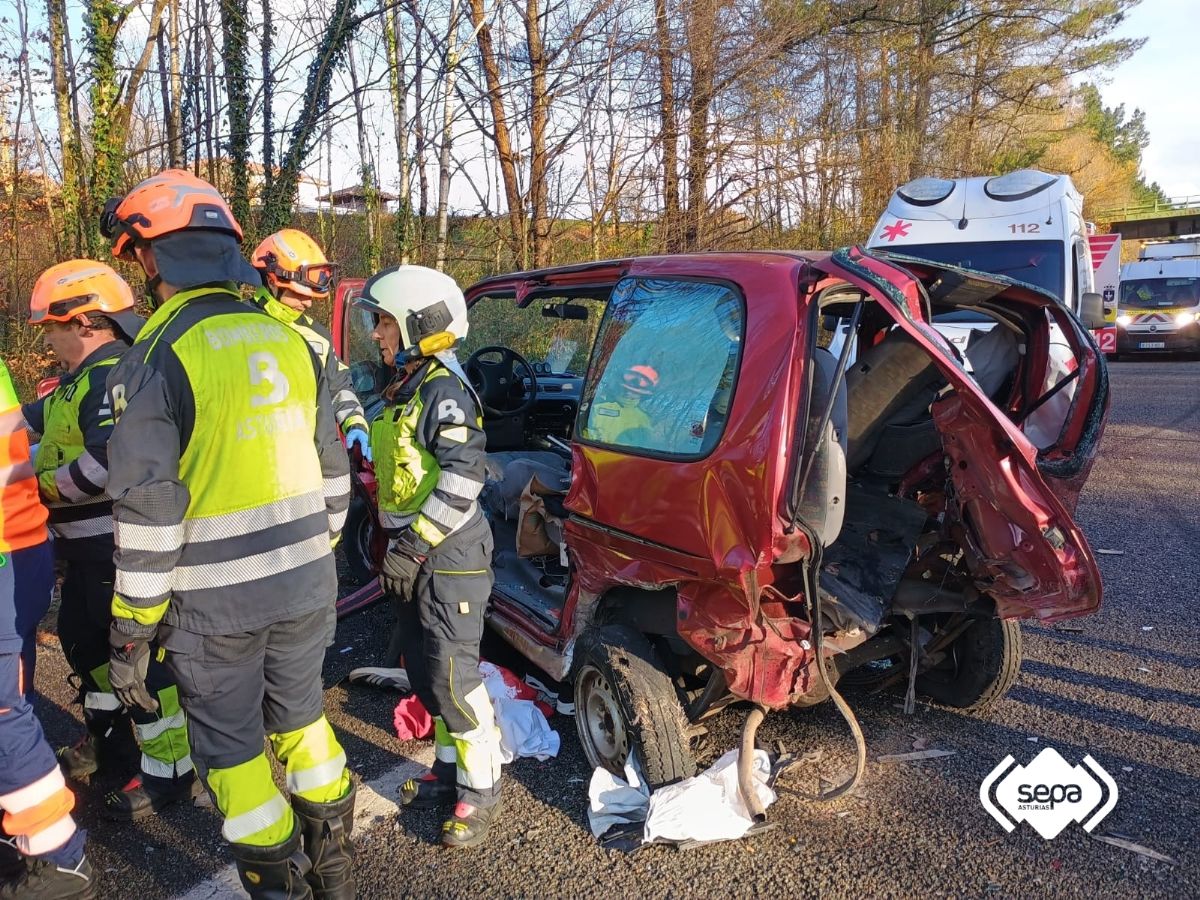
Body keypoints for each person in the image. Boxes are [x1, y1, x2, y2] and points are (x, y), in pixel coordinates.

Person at [99, 169, 355, 898]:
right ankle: (333, 870)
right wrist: (310, 559)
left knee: (235, 757)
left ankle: (278, 885)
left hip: (215, 613)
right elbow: (333, 477)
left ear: (152, 258)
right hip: (307, 585)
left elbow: (149, 517)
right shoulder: (294, 343)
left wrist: (131, 632)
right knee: (304, 720)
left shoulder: (151, 358)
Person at [23, 260, 196, 821]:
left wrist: (37, 487)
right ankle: (108, 739)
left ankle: (170, 771)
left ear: (87, 323)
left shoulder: (113, 377)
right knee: (82, 643)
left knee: (138, 663)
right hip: (84, 554)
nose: (46, 338)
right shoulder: (77, 381)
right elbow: (23, 424)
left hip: (118, 552)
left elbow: (106, 462)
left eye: (52, 326)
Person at [354, 265, 503, 849]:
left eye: (386, 322)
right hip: (416, 554)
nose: (378, 334)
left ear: (421, 325)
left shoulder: (443, 390)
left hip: (448, 556)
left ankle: (482, 786)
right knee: (424, 669)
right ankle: (447, 767)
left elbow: (464, 480)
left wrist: (411, 548)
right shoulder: (408, 385)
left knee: (452, 674)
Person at [0, 358, 94, 898]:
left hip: (8, 549)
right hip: (22, 544)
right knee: (13, 694)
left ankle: (59, 856)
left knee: (3, 709)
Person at [249, 229, 372, 461]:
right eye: (299, 294)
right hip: (257, 459)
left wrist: (355, 422)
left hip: (308, 461)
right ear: (272, 282)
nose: (307, 303)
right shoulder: (239, 330)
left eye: (311, 296)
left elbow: (339, 386)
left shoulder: (318, 336)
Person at [585, 363, 659, 445]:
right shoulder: (596, 406)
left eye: (635, 392)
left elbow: (646, 447)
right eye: (626, 389)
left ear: (643, 395)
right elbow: (583, 435)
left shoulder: (644, 419)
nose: (629, 393)